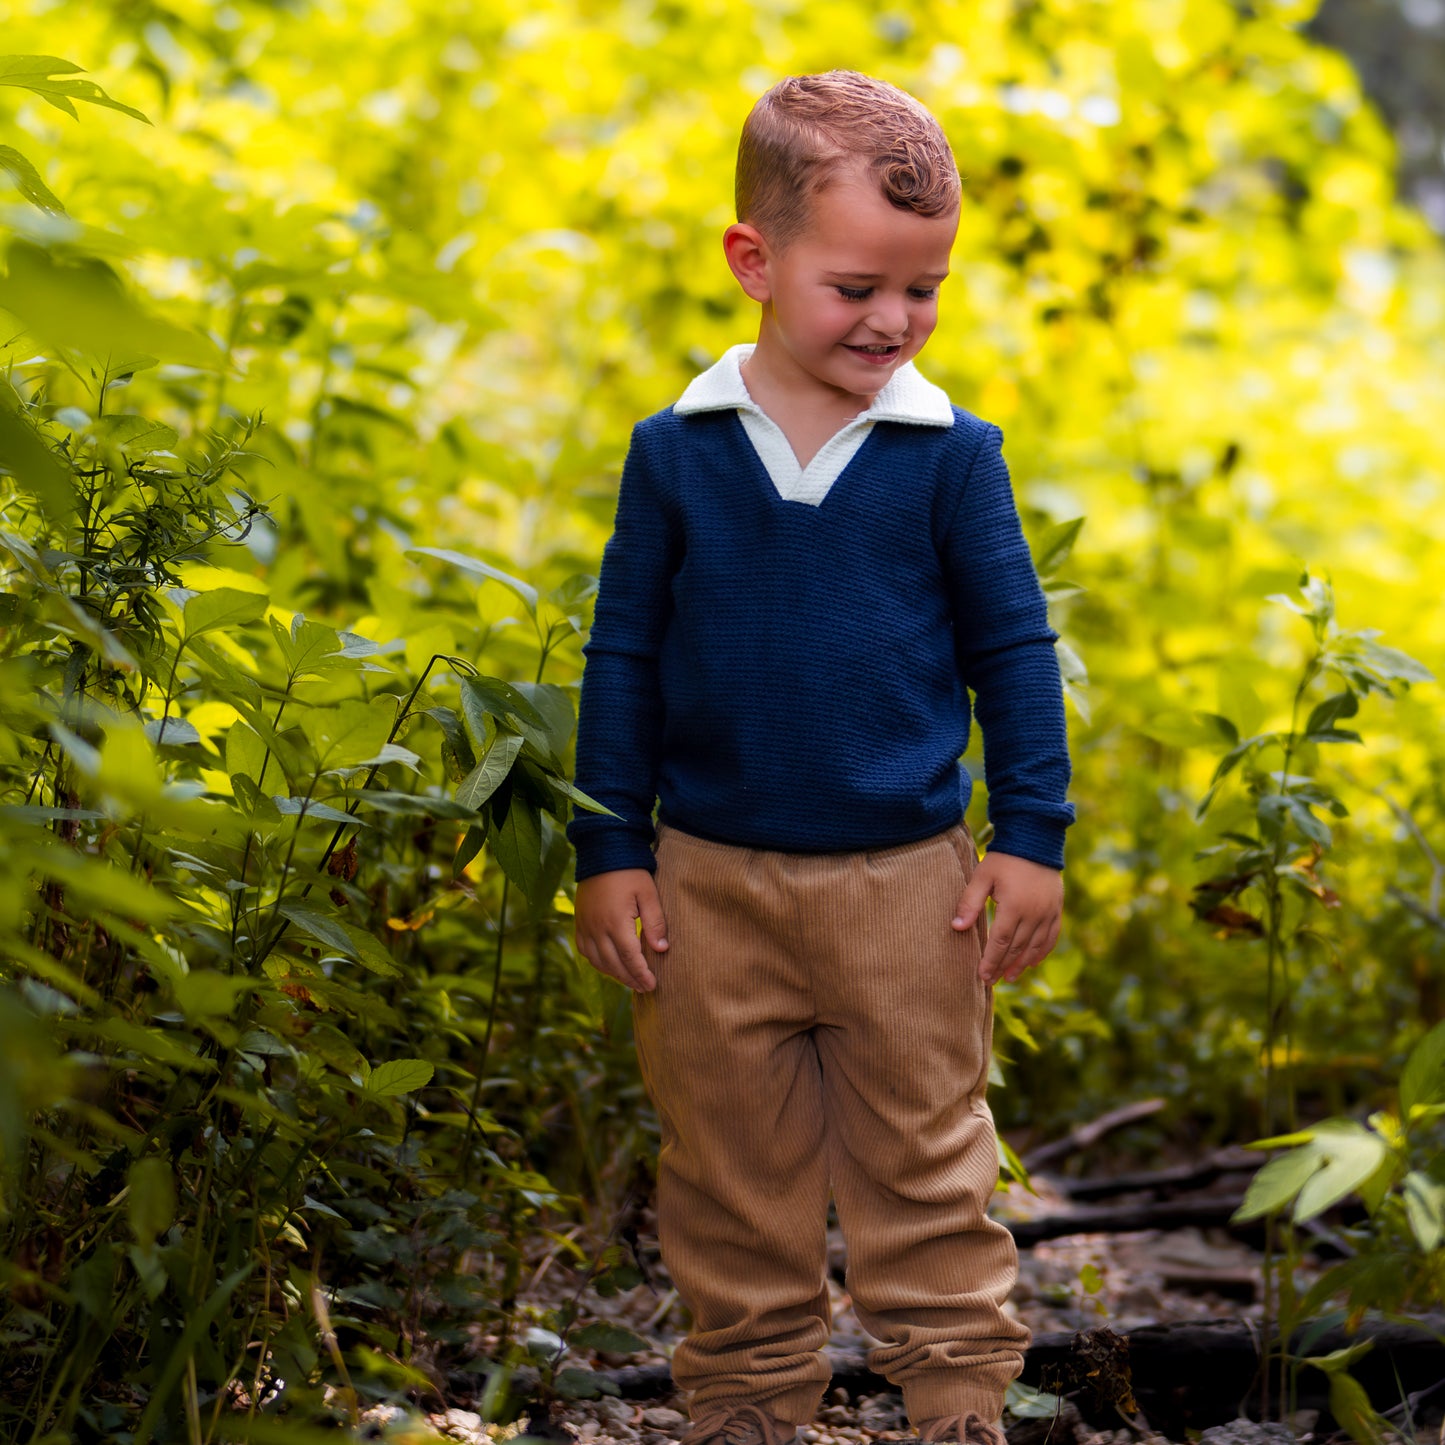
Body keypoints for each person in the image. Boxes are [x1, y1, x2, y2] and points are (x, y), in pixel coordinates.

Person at [567, 69, 1074, 1445]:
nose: (892, 320)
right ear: (753, 260)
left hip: (909, 889)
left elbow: (1012, 650)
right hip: (708, 885)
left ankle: (957, 1401)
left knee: (927, 1156)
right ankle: (744, 1403)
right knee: (729, 1169)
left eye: (924, 290)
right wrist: (609, 846)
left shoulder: (950, 456)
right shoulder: (676, 453)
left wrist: (1030, 834)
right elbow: (624, 656)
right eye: (857, 287)